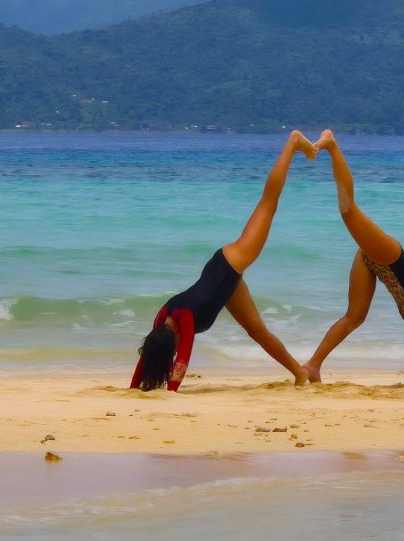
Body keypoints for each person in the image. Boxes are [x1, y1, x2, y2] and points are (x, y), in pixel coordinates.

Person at [130, 130, 315, 391]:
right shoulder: (160, 322)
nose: (174, 352)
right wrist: (132, 388)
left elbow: (183, 358)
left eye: (171, 350)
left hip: (231, 262)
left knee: (268, 203)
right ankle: (299, 373)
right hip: (224, 284)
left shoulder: (183, 319)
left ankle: (293, 142)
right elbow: (147, 356)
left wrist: (171, 390)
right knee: (257, 332)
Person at [304, 130, 404, 389]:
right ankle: (331, 144)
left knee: (354, 317)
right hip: (392, 256)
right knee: (349, 212)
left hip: (373, 265)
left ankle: (313, 364)